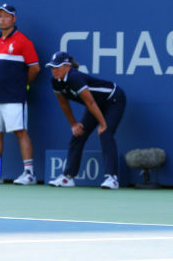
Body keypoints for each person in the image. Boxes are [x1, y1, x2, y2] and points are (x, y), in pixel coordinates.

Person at [0, 4, 40, 186]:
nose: (2, 19)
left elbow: (35, 68)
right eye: (0, 16)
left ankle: (29, 173)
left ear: (14, 19)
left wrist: (22, 84)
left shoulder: (23, 41)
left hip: (15, 97)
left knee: (20, 132)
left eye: (6, 16)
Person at [46, 52, 126, 190]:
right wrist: (73, 124)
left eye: (57, 67)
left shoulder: (75, 77)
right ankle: (68, 177)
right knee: (78, 134)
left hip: (114, 99)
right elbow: (64, 104)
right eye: (52, 67)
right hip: (95, 104)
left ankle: (112, 178)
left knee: (106, 133)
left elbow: (89, 101)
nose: (54, 70)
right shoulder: (55, 81)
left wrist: (103, 124)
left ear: (67, 66)